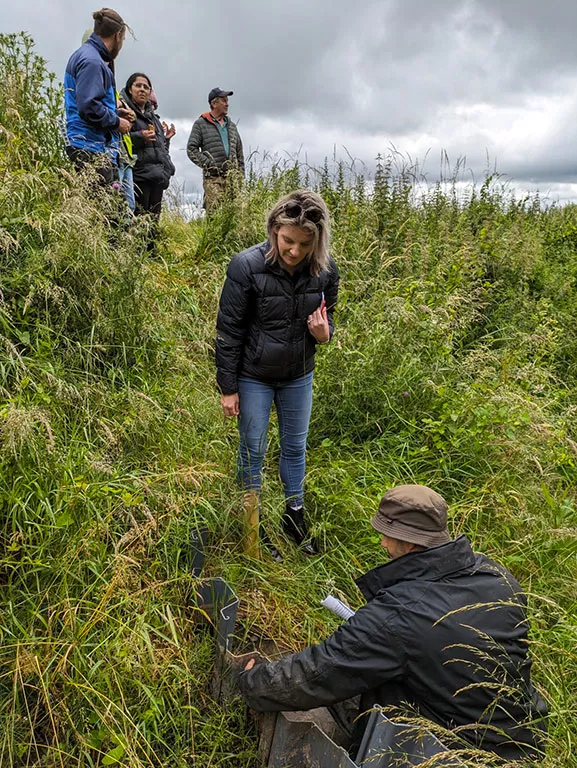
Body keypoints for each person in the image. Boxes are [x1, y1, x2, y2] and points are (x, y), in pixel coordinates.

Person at [239, 485, 548, 762]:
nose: (383, 542)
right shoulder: (496, 576)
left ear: (410, 543)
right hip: (520, 741)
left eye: (387, 534)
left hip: (452, 754)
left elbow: (318, 671)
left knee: (363, 681)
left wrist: (251, 682)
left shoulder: (399, 614)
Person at [216, 190, 339, 560]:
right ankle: (252, 525)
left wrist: (324, 333)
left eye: (304, 243)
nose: (294, 251)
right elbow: (229, 330)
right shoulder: (245, 266)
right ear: (273, 229)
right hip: (254, 374)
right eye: (288, 240)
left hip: (298, 374)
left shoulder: (325, 269)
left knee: (295, 447)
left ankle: (293, 516)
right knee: (253, 449)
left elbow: (328, 317)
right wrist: (228, 387)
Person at [64, 8, 131, 184]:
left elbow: (89, 101)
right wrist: (117, 123)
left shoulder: (88, 56)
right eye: (123, 39)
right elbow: (88, 106)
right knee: (99, 210)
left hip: (87, 143)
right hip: (90, 146)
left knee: (99, 208)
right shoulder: (93, 62)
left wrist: (115, 113)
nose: (121, 44)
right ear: (117, 35)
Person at [120, 73, 176, 234]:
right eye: (138, 86)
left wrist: (166, 140)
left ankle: (151, 256)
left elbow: (159, 147)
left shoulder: (154, 119)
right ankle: (138, 256)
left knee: (153, 223)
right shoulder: (125, 113)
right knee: (138, 222)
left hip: (157, 176)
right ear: (130, 89)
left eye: (146, 87)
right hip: (140, 175)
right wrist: (140, 137)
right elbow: (119, 139)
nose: (142, 90)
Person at [186, 87, 245, 211]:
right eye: (224, 100)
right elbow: (191, 149)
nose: (227, 104)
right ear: (214, 103)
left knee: (235, 216)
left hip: (232, 181)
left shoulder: (232, 126)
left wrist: (240, 178)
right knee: (215, 217)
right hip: (213, 179)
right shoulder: (201, 124)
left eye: (227, 100)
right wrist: (209, 164)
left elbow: (239, 155)